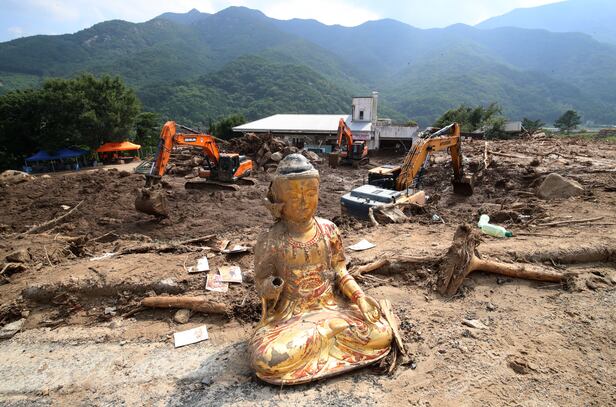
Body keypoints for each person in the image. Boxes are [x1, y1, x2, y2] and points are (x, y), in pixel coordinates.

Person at [250, 154, 393, 385]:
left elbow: (340, 271)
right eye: (294, 196)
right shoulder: (271, 239)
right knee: (266, 358)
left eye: (310, 193)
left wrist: (360, 298)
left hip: (331, 307)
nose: (304, 202)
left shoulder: (329, 230)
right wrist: (271, 287)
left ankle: (323, 337)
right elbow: (261, 283)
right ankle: (326, 335)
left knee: (382, 332)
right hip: (292, 318)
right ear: (279, 201)